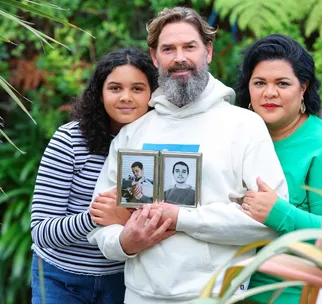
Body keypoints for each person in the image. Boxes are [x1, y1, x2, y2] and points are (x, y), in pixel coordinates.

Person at [88, 7, 289, 304]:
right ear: (155, 58)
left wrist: (180, 217)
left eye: (189, 47)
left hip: (218, 296)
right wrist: (125, 242)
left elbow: (270, 220)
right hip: (139, 296)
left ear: (207, 51)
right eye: (168, 49)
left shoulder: (244, 126)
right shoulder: (135, 132)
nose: (179, 57)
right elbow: (102, 220)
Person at [235, 34, 322, 303]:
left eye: (282, 83)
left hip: (299, 294)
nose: (269, 93)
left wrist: (278, 213)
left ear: (303, 87)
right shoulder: (235, 137)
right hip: (230, 289)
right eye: (259, 83)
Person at [30, 47, 158, 303]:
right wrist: (96, 217)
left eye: (137, 88)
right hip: (61, 278)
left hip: (123, 280)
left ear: (153, 94)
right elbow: (41, 231)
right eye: (115, 88)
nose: (126, 97)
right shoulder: (70, 140)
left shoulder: (156, 145)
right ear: (99, 93)